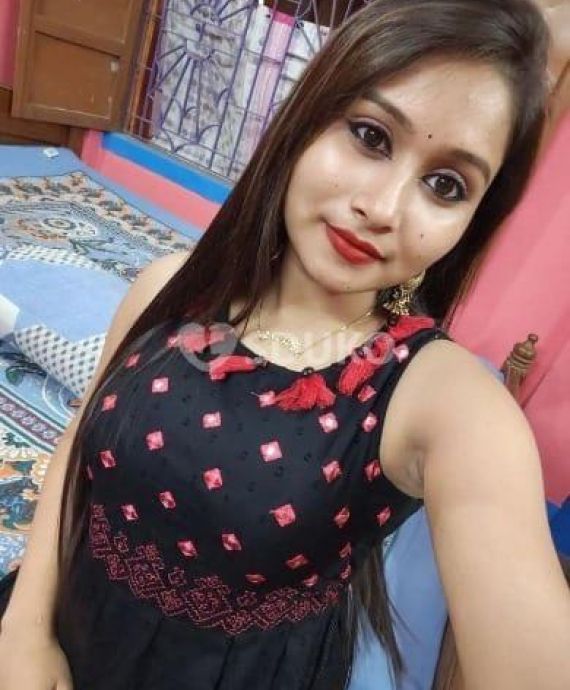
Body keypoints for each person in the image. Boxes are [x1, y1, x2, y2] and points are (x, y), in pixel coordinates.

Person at [0, 1, 569, 688]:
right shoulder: (169, 288)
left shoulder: (440, 401)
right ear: (307, 119)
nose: (383, 208)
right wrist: (23, 631)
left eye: (445, 185)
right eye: (370, 136)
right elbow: (79, 444)